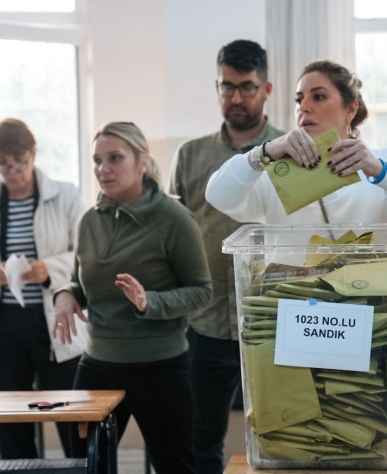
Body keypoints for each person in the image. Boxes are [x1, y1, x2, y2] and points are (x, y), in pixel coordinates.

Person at [53, 121, 212, 474]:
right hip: (98, 364)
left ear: (142, 163)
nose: (103, 169)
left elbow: (202, 291)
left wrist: (149, 302)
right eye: (97, 160)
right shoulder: (89, 221)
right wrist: (64, 294)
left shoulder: (175, 218)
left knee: (175, 467)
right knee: (83, 466)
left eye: (114, 158)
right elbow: (80, 281)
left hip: (161, 367)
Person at [168, 39, 284, 474]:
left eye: (247, 87)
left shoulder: (292, 150)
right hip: (205, 322)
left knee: (284, 433)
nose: (236, 97)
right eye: (227, 87)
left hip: (276, 318)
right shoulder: (191, 155)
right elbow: (172, 233)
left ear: (266, 89)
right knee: (200, 441)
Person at [0, 118, 86, 459]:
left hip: (56, 321)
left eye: (19, 161)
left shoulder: (66, 196)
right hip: (2, 327)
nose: (11, 170)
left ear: (34, 153)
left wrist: (49, 269)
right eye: (2, 163)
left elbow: (86, 255)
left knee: (72, 420)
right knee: (11, 425)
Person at [206, 60, 387, 237]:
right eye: (299, 99)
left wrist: (380, 171)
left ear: (351, 108)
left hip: (371, 297)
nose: (304, 107)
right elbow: (218, 196)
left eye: (319, 97)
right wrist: (265, 152)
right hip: (289, 297)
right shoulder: (275, 174)